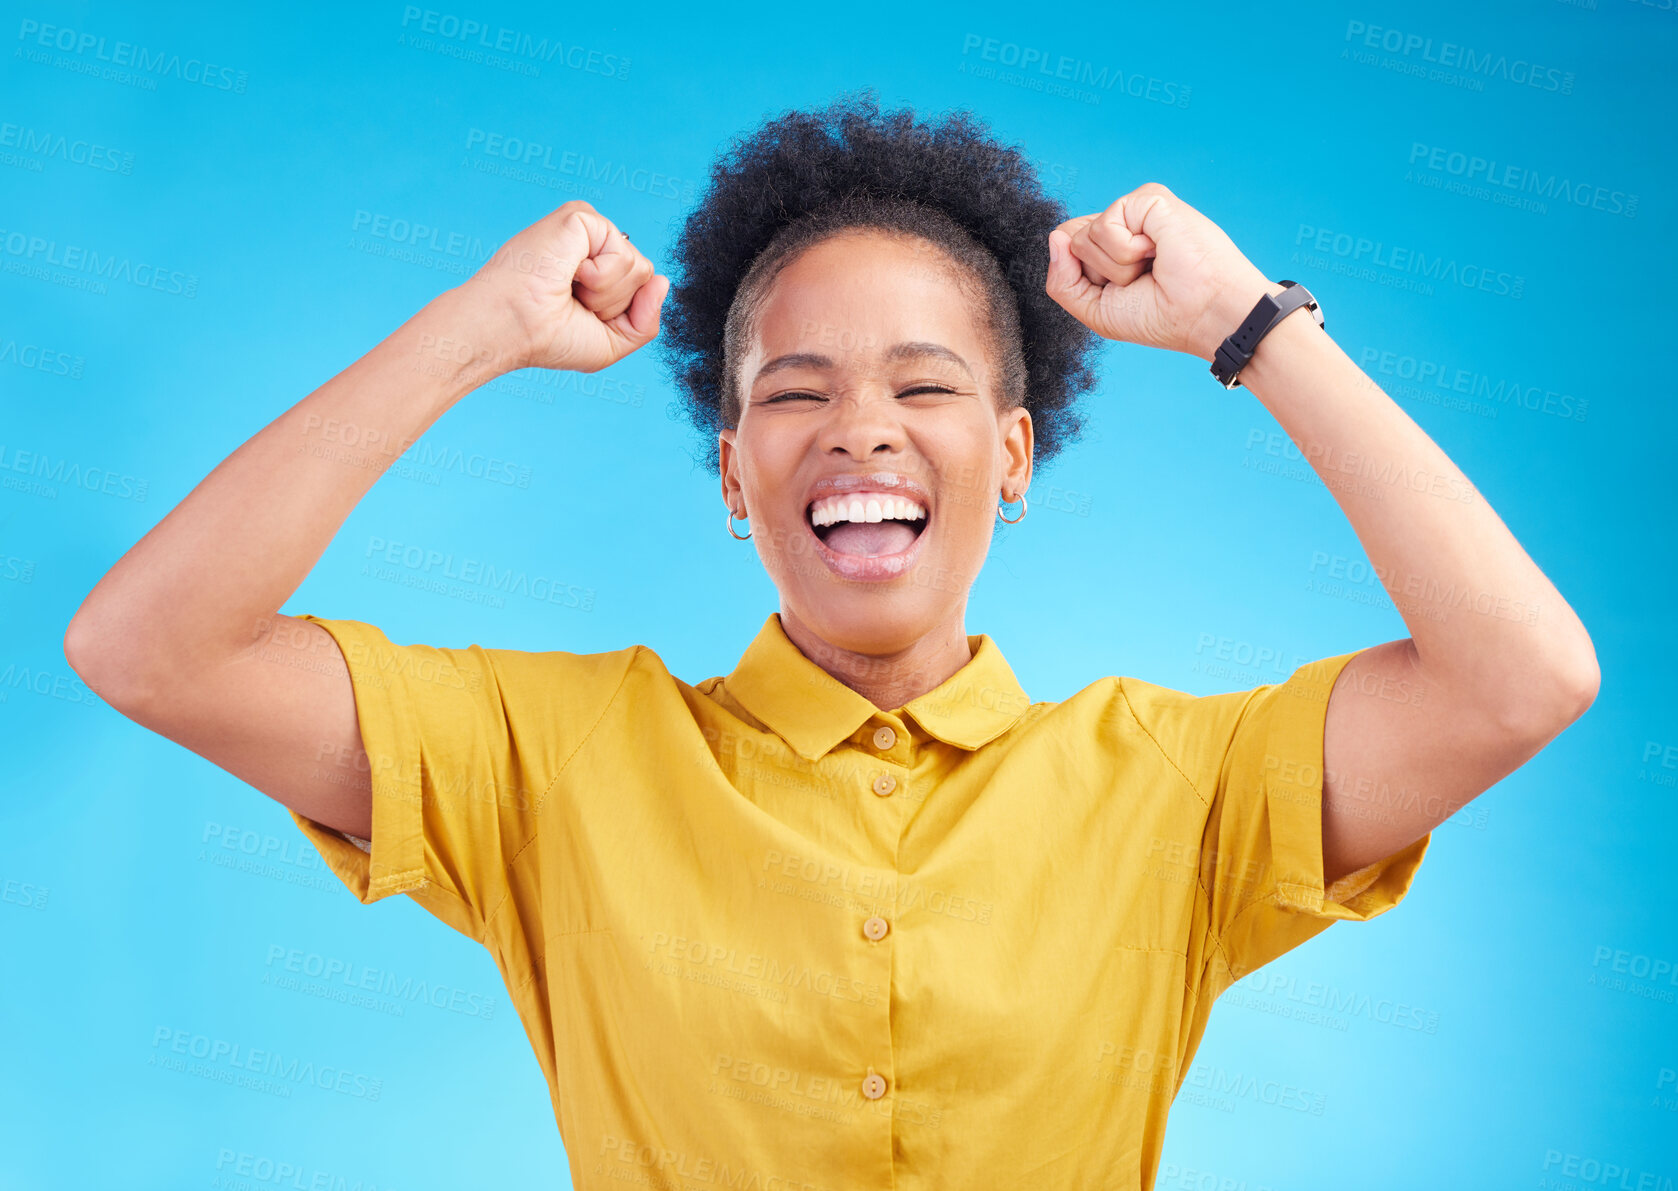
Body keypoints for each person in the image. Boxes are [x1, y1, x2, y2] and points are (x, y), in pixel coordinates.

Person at [64, 92, 1598, 1190]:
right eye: (792, 392)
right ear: (734, 474)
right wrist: (475, 330)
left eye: (924, 387)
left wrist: (1248, 326)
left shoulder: (1174, 784)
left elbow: (1521, 679)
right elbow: (152, 649)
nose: (858, 429)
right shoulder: (551, 760)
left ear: (1012, 452)